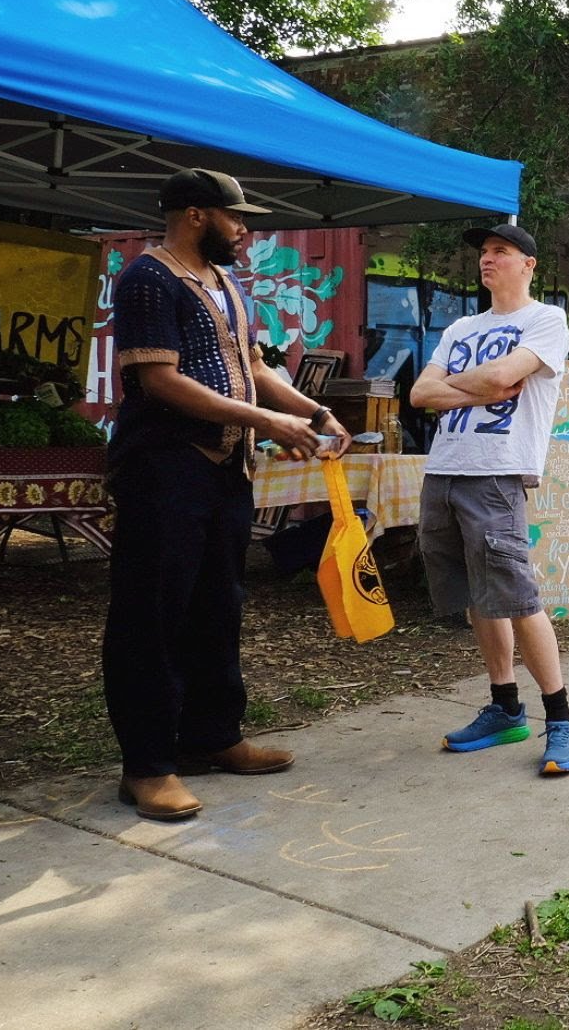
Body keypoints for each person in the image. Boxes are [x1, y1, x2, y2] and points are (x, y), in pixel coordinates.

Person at [104, 168, 352, 822]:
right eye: (234, 217)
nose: (244, 229)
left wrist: (314, 413)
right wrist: (267, 424)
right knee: (152, 615)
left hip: (224, 472)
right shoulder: (147, 280)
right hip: (165, 469)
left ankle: (212, 737)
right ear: (193, 214)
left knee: (218, 605)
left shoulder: (226, 282)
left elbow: (257, 368)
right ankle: (148, 767)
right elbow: (159, 379)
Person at [410, 223, 569, 776]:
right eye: (484, 253)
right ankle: (505, 706)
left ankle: (561, 719)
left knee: (517, 595)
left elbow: (508, 374)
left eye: (500, 252)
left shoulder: (545, 320)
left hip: (497, 471)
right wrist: (479, 385)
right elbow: (418, 393)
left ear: (528, 264)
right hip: (444, 470)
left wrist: (458, 386)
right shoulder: (462, 326)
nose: (487, 260)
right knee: (477, 596)